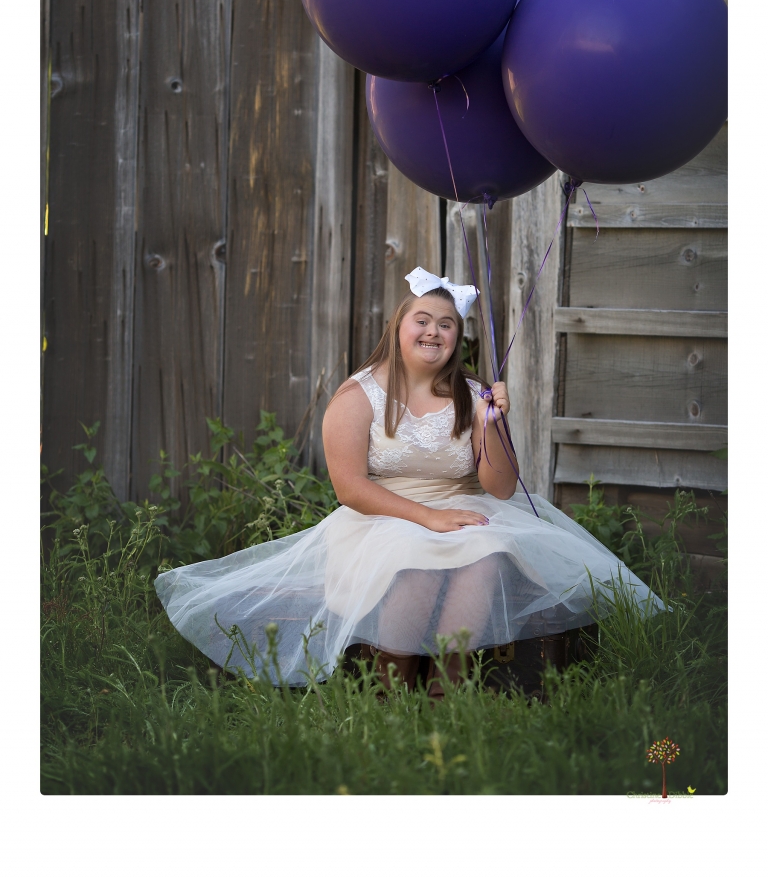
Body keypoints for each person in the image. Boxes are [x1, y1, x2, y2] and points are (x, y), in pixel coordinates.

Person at [155, 267, 661, 696]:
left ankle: (446, 692)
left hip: (465, 509)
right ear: (399, 327)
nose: (433, 332)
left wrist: (493, 425)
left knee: (485, 558)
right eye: (422, 320)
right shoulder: (359, 396)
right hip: (379, 517)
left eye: (446, 324)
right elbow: (349, 488)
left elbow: (502, 488)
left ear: (457, 338)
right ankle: (389, 692)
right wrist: (427, 518)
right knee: (414, 567)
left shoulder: (472, 395)